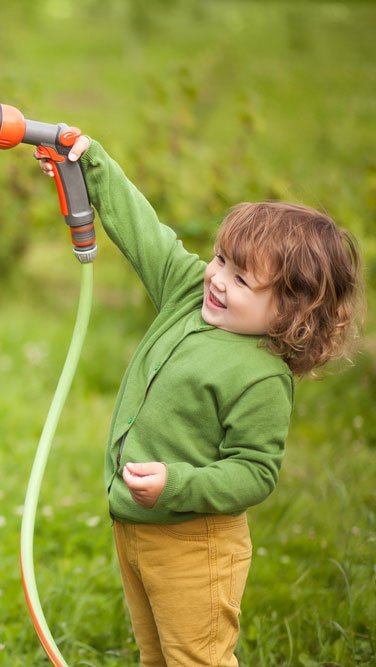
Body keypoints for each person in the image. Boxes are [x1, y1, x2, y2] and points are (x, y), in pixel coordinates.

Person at [38, 136, 363, 666]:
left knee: (197, 659)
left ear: (289, 312)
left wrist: (178, 483)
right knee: (156, 656)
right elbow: (147, 233)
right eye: (220, 258)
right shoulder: (189, 293)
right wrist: (89, 160)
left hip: (196, 543)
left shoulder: (260, 376)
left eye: (240, 278)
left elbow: (255, 472)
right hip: (136, 529)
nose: (216, 278)